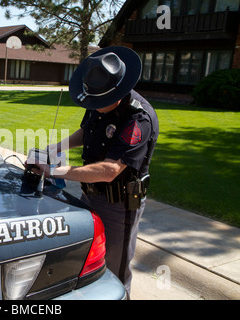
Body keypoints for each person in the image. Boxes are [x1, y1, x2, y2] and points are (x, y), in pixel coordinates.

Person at [31, 46, 159, 296]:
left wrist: (56, 170)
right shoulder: (98, 97)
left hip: (119, 203)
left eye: (98, 102)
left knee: (114, 269)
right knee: (87, 258)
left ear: (119, 92)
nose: (93, 105)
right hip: (89, 194)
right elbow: (88, 130)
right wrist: (58, 146)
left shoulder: (138, 119)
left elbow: (110, 170)